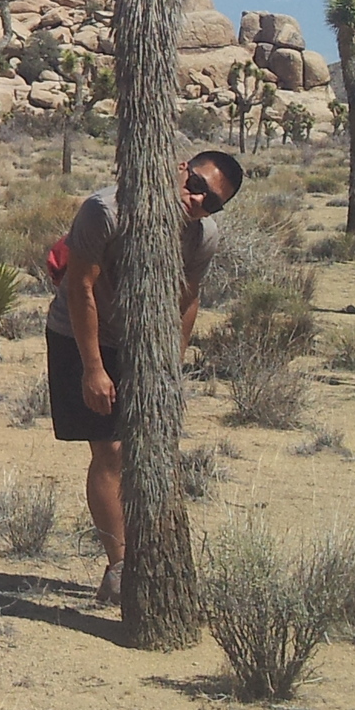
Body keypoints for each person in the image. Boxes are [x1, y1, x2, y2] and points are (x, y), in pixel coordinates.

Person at [45, 150, 241, 608]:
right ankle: (119, 569)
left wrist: (171, 364)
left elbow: (188, 297)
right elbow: (80, 287)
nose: (197, 200)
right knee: (110, 448)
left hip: (143, 343)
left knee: (146, 449)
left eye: (211, 202)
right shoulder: (106, 211)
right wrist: (93, 367)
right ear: (177, 167)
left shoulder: (201, 236)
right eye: (195, 184)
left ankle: (147, 562)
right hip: (80, 333)